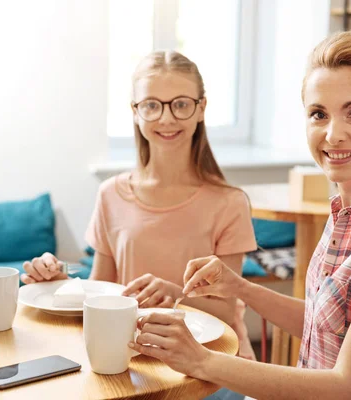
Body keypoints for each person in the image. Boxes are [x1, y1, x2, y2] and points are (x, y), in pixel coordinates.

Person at [128, 31, 351, 400]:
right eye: (319, 114)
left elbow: (349, 384)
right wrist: (240, 288)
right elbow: (325, 326)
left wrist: (200, 360)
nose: (333, 135)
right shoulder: (348, 211)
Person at [20, 50, 258, 362]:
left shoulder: (230, 202)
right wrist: (57, 286)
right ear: (135, 111)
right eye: (151, 105)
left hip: (213, 362)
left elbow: (226, 310)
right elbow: (100, 290)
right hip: (133, 355)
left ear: (201, 108)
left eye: (181, 104)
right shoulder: (110, 194)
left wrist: (174, 293)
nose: (166, 118)